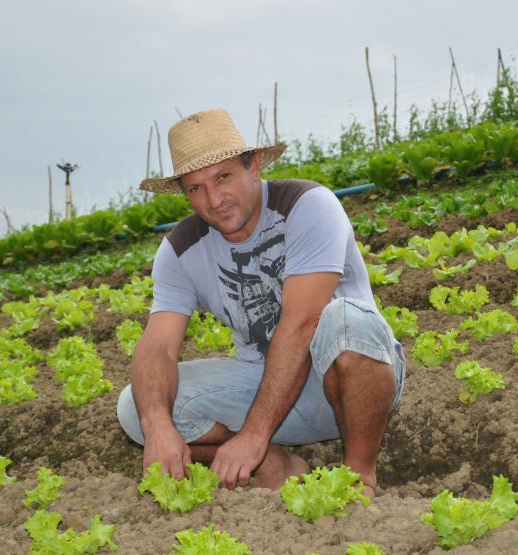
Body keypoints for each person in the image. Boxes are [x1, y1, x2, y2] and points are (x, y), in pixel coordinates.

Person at [117, 108, 406, 496]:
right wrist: (156, 426)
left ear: (253, 166)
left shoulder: (307, 205)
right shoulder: (180, 251)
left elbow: (304, 322)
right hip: (266, 389)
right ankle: (274, 462)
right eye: (196, 188)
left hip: (349, 384)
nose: (215, 199)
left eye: (223, 177)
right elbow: (158, 347)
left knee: (345, 321)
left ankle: (358, 477)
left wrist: (253, 432)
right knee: (136, 408)